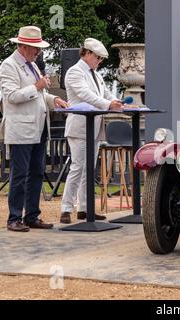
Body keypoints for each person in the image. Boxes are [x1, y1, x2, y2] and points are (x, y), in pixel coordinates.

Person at [0, 26, 68, 232]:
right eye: (35, 48)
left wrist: (53, 98)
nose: (38, 52)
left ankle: (31, 215)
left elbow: (38, 94)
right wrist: (37, 87)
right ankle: (14, 218)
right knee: (20, 174)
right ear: (23, 46)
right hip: (21, 129)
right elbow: (11, 97)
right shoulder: (8, 66)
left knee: (37, 172)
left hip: (38, 127)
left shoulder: (32, 65)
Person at [60, 38, 124, 224]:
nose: (99, 61)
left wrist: (116, 102)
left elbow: (104, 94)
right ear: (86, 53)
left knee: (89, 168)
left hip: (94, 126)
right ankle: (66, 208)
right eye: (97, 57)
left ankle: (85, 208)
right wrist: (108, 104)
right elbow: (85, 95)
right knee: (78, 167)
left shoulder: (96, 74)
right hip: (80, 126)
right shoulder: (74, 72)